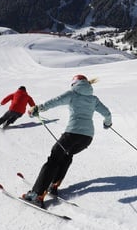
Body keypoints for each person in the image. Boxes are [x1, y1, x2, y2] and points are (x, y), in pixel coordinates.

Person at [21, 74, 112, 207]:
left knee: (53, 160)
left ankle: (37, 194)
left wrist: (37, 108)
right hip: (87, 138)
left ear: (74, 84)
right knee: (67, 155)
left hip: (72, 133)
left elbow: (55, 101)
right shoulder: (93, 99)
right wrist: (107, 123)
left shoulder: (73, 94)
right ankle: (53, 186)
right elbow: (107, 114)